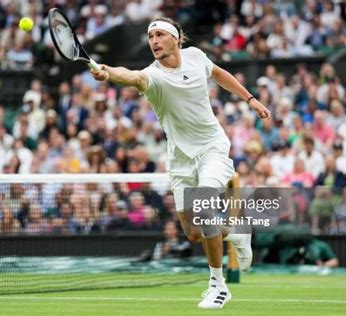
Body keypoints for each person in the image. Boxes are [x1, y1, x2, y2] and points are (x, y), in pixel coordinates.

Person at [90, 17, 270, 309]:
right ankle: (236, 231)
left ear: (176, 38)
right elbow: (132, 76)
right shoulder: (153, 76)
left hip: (212, 148)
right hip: (180, 159)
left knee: (204, 205)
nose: (154, 41)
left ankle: (218, 285)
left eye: (160, 34)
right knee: (194, 232)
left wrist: (250, 99)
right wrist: (108, 72)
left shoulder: (197, 57)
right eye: (150, 37)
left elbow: (220, 74)